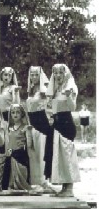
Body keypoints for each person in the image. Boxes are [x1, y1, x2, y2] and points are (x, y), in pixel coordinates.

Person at [45, 63, 81, 197]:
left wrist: (69, 96)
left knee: (67, 155)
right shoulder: (54, 89)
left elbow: (72, 107)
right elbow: (50, 107)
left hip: (66, 124)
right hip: (56, 124)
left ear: (65, 74)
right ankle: (64, 188)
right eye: (55, 73)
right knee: (59, 156)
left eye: (60, 73)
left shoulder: (71, 87)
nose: (58, 75)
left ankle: (70, 188)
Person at [25, 66, 56, 193]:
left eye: (35, 75)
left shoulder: (43, 90)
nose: (33, 77)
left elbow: (50, 104)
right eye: (31, 74)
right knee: (33, 154)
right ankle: (36, 182)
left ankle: (44, 182)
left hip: (42, 125)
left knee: (42, 153)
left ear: (40, 75)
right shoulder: (31, 90)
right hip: (32, 124)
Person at [6, 104, 35, 192]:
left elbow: (29, 145)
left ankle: (19, 183)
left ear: (22, 114)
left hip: (21, 155)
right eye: (13, 113)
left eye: (18, 112)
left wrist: (29, 133)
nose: (15, 115)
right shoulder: (9, 128)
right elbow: (8, 143)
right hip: (11, 153)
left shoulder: (25, 128)